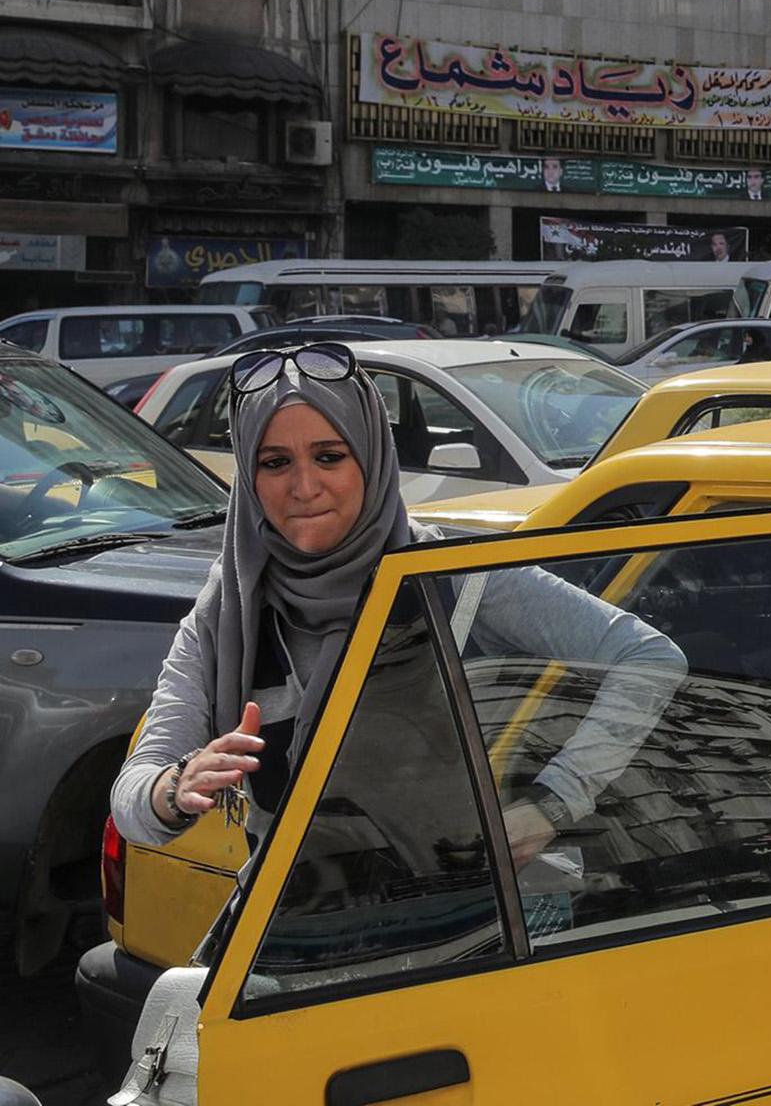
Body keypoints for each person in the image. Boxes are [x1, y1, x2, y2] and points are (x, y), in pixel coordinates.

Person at [111, 344, 686, 869]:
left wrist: (553, 802)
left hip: (453, 935)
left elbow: (648, 658)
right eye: (275, 463)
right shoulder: (230, 606)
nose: (304, 487)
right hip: (294, 937)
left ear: (372, 458)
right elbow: (133, 799)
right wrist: (176, 786)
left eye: (330, 456)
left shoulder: (449, 575)